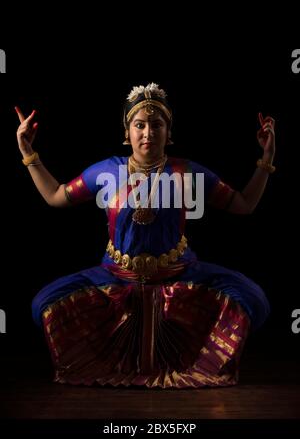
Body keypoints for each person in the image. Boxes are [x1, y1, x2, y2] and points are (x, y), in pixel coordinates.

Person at [15, 83, 275, 388]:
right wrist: (29, 154)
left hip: (178, 275)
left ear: (168, 132)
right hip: (115, 276)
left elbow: (243, 205)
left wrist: (266, 159)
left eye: (157, 125)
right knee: (44, 305)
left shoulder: (186, 172)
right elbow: (56, 196)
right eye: (140, 125)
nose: (148, 133)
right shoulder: (107, 171)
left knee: (253, 299)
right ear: (127, 131)